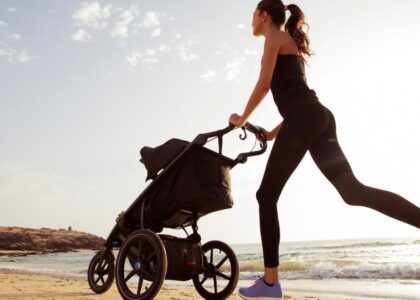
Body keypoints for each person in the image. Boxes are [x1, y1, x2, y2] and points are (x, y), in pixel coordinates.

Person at [228, 1, 420, 299]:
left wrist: (242, 118)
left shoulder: (274, 38)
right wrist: (273, 133)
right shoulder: (286, 42)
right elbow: (298, 99)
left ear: (264, 16)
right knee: (353, 192)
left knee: (266, 195)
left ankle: (269, 283)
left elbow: (264, 84)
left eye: (253, 14)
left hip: (307, 118)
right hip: (318, 117)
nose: (251, 20)